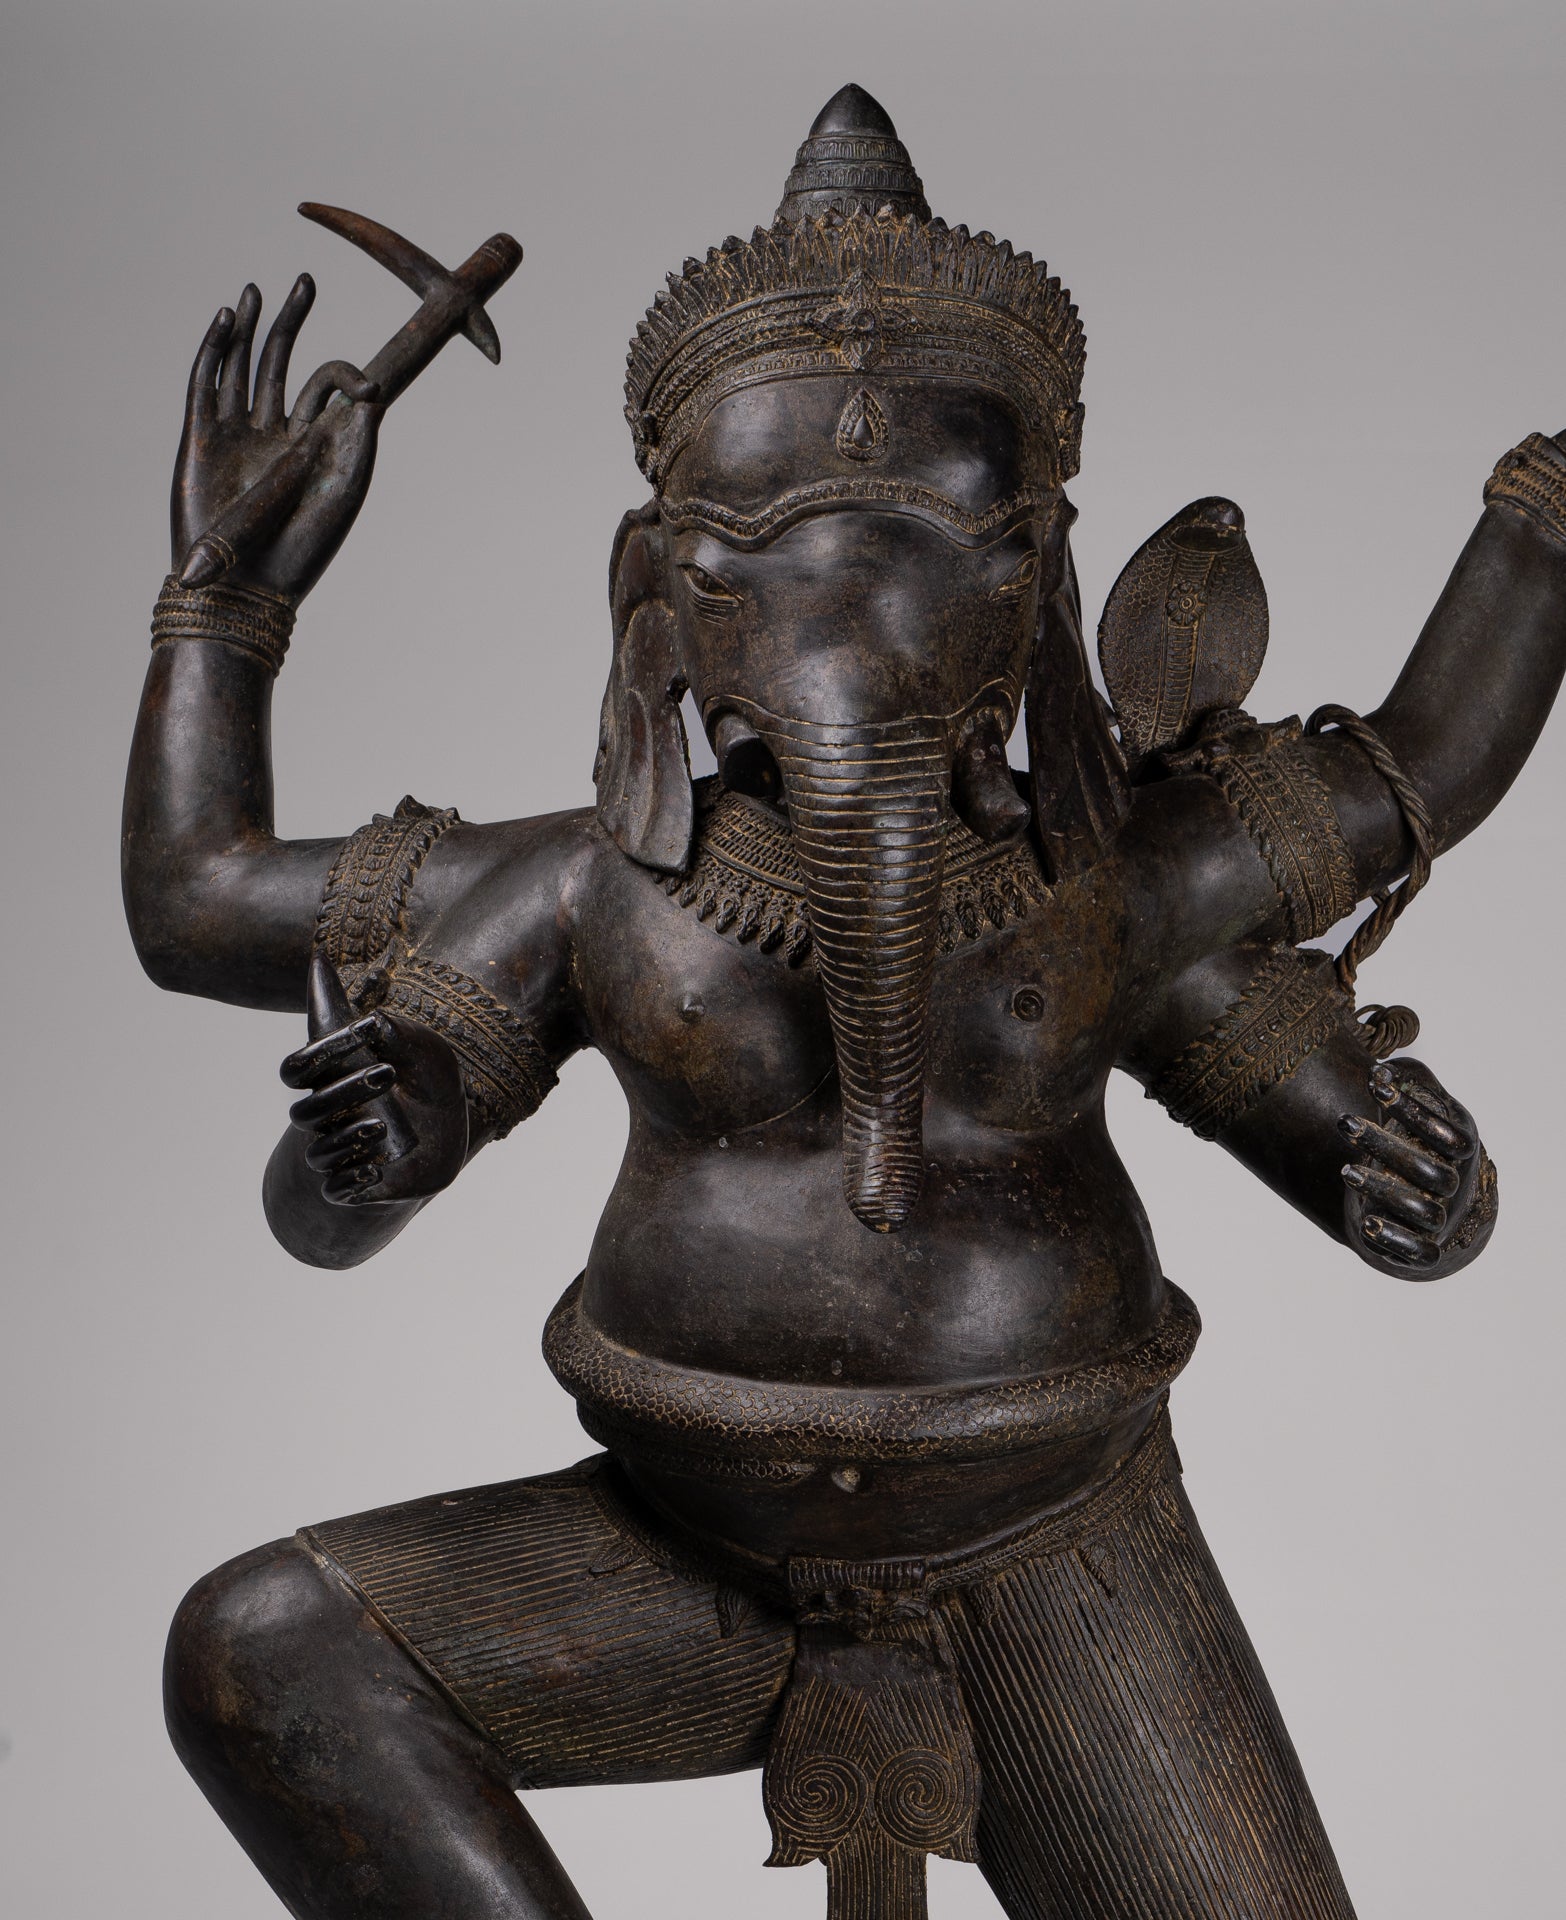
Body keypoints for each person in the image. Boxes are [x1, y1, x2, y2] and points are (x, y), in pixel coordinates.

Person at [123, 84, 1557, 1920]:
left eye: (944, 562)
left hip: (1060, 1552)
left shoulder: (1116, 876)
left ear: (1036, 586)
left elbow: (1420, 774)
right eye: (761, 572)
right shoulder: (591, 887)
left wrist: (1419, 1189)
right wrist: (221, 612)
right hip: (687, 1562)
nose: (852, 642)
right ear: (657, 594)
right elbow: (204, 911)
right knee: (268, 1655)